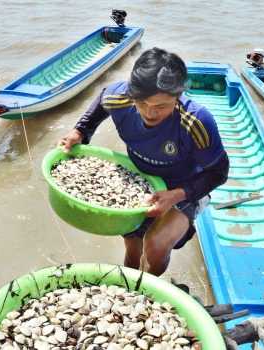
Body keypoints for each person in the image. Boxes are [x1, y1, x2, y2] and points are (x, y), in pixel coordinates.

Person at [56, 47, 229, 277]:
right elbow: (100, 101)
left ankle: (147, 293)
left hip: (186, 186)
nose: (150, 113)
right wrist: (79, 131)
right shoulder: (119, 97)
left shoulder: (196, 121)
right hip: (141, 182)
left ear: (177, 96)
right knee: (133, 251)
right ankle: (130, 294)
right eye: (142, 103)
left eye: (161, 106)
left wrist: (175, 194)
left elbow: (219, 172)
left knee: (156, 245)